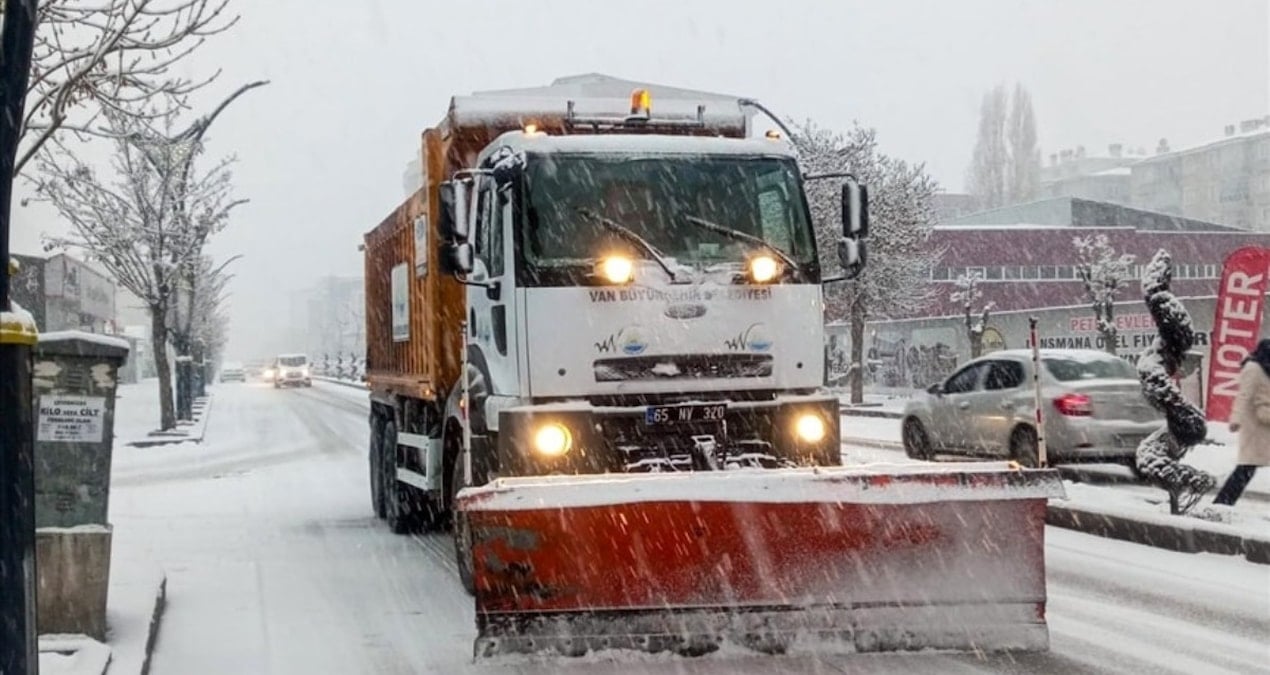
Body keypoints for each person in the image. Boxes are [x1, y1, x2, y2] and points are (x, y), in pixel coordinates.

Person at [1214, 338, 1270, 506]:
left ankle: (1223, 501)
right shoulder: (1253, 368)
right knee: (1247, 467)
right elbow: (1243, 395)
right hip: (1255, 427)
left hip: (1265, 425)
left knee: (1247, 468)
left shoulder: (1265, 367)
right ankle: (1223, 502)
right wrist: (1236, 419)